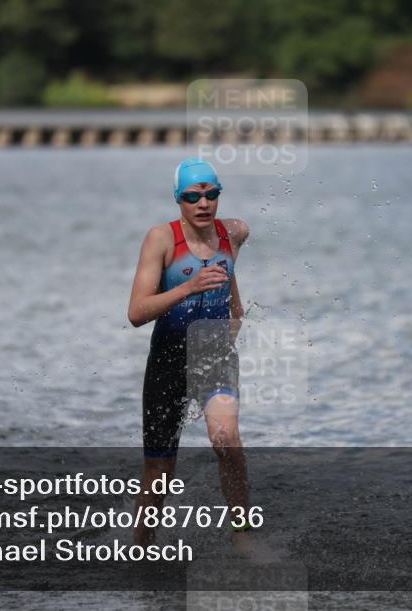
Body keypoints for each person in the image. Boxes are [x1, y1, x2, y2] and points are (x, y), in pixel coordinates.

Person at [127, 157, 251, 548]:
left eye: (211, 194)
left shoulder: (235, 233)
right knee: (159, 469)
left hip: (213, 355)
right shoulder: (161, 239)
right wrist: (187, 288)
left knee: (226, 437)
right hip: (167, 358)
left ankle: (243, 538)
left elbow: (234, 297)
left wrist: (228, 333)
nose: (203, 203)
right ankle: (141, 548)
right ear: (177, 199)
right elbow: (136, 313)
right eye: (192, 196)